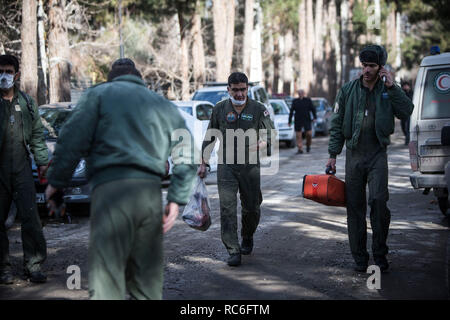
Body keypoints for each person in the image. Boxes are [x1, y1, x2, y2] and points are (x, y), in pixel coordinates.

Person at [45, 59, 197, 299]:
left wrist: (56, 182)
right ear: (139, 79)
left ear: (110, 78)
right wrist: (176, 199)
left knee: (107, 282)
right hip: (149, 195)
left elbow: (72, 139)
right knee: (146, 284)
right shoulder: (161, 103)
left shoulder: (97, 95)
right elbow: (187, 154)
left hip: (110, 193)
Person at [326, 45, 414, 273]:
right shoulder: (347, 90)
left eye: (372, 66)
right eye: (364, 65)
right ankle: (359, 258)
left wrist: (392, 86)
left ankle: (380, 254)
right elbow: (336, 124)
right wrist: (333, 155)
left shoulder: (387, 90)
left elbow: (406, 112)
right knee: (355, 208)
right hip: (354, 156)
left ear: (381, 67)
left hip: (377, 154)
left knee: (378, 201)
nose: (366, 70)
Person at [198, 72, 275, 267]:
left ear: (247, 88)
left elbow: (269, 136)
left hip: (250, 166)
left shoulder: (259, 109)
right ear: (228, 89)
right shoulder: (219, 109)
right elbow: (210, 136)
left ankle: (247, 235)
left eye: (243, 89)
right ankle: (233, 249)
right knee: (227, 208)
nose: (240, 93)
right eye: (236, 90)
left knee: (252, 207)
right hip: (226, 166)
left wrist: (256, 146)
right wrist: (203, 162)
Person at [0, 54, 49, 284]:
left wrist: (42, 163)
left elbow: (38, 137)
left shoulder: (27, 104)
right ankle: (3, 269)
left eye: (9, 71)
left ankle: (34, 265)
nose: (4, 76)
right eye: (1, 71)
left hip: (21, 169)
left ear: (17, 75)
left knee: (31, 218)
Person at [288, 89, 316, 154]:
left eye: (302, 93)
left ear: (304, 93)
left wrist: (314, 117)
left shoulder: (308, 100)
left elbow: (313, 109)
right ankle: (300, 148)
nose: (300, 94)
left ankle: (308, 145)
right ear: (298, 94)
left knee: (309, 134)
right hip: (298, 120)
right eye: (299, 93)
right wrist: (289, 121)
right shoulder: (295, 101)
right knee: (298, 136)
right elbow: (291, 111)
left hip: (307, 120)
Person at [400, 80, 413, 145]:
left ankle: (407, 140)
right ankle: (406, 137)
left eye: (406, 86)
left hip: (410, 113)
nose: (405, 87)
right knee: (403, 126)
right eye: (404, 86)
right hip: (403, 112)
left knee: (407, 127)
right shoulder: (402, 93)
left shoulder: (412, 93)